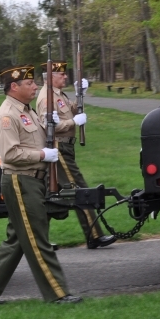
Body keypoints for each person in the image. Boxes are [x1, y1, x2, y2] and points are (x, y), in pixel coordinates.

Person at [0, 65, 82, 304]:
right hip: (21, 181)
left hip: (34, 180)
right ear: (14, 87)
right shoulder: (7, 116)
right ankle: (57, 294)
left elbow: (37, 138)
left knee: (19, 237)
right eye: (29, 83)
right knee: (37, 238)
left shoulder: (27, 111)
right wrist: (42, 155)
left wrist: (52, 125)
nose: (35, 86)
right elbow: (10, 154)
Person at [36, 61, 116, 249]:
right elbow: (49, 127)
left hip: (65, 148)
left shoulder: (58, 94)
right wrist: (74, 122)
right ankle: (94, 236)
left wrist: (81, 95)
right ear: (51, 77)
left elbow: (71, 110)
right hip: (59, 148)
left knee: (50, 196)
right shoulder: (47, 98)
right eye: (61, 74)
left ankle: (39, 241)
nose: (65, 76)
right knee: (81, 190)